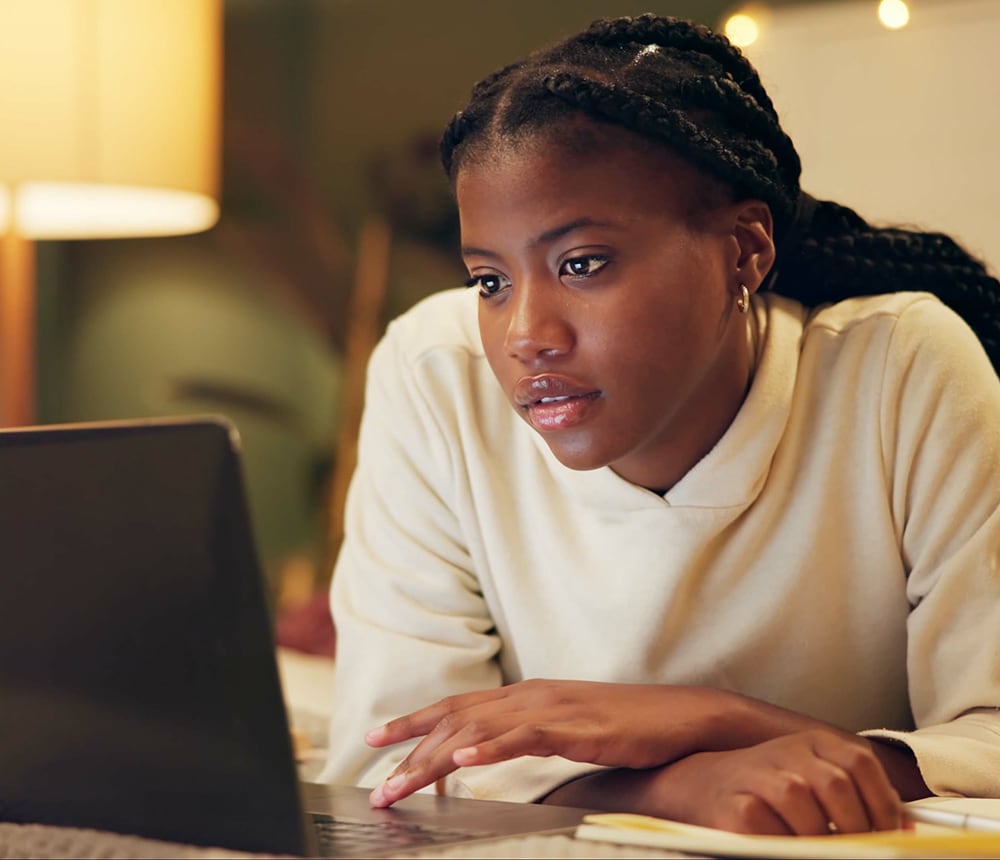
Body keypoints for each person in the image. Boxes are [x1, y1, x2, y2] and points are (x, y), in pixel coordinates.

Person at [318, 13, 1000, 836]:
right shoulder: (435, 374)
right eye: (489, 280)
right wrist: (677, 787)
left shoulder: (899, 370)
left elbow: (992, 743)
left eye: (582, 264)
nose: (526, 333)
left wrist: (708, 717)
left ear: (745, 250)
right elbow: (390, 768)